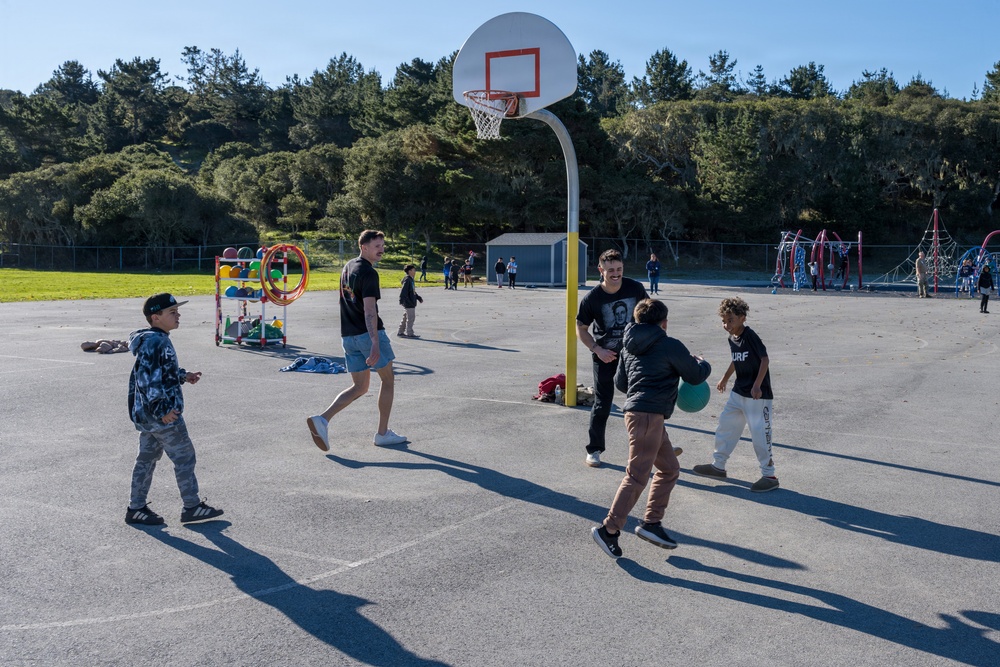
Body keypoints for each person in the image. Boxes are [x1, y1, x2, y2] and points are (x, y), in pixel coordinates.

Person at [591, 298, 711, 558]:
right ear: (663, 322)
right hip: (648, 416)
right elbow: (695, 375)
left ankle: (651, 523)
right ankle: (608, 530)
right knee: (637, 475)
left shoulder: (627, 345)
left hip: (641, 414)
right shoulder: (669, 344)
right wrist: (702, 362)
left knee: (669, 469)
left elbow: (621, 383)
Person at [126, 293, 224, 526]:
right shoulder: (155, 341)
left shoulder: (155, 339)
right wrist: (162, 409)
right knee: (185, 457)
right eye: (172, 312)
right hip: (163, 416)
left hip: (148, 417)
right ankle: (192, 507)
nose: (178, 314)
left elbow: (161, 371)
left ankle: (136, 508)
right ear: (156, 317)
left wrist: (183, 375)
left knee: (146, 460)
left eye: (177, 310)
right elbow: (147, 378)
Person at [307, 229, 407, 450]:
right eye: (377, 246)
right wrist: (374, 343)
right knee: (388, 380)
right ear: (364, 247)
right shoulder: (369, 273)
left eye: (383, 245)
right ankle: (382, 433)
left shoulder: (348, 266)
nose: (381, 249)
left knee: (360, 387)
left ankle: (322, 419)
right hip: (367, 335)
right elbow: (369, 310)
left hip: (348, 335)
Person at [692, 297, 779, 493]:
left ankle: (769, 475)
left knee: (760, 436)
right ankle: (718, 466)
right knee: (725, 427)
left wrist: (757, 385)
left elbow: (764, 360)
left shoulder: (750, 336)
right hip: (738, 392)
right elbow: (735, 360)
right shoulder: (733, 338)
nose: (726, 325)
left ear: (742, 318)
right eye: (724, 320)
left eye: (730, 320)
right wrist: (724, 378)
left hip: (757, 396)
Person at [576, 249, 649, 468]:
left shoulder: (635, 288)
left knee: (646, 401)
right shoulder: (592, 298)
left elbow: (652, 316)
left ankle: (654, 447)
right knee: (602, 402)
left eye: (618, 269)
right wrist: (598, 350)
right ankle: (594, 449)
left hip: (633, 354)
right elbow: (581, 328)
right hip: (606, 355)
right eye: (610, 270)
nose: (615, 274)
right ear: (601, 270)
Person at [397, 264, 423, 338]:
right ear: (409, 271)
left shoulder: (410, 279)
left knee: (405, 317)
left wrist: (418, 297)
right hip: (409, 302)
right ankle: (410, 333)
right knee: (411, 318)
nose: (415, 272)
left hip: (410, 301)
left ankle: (400, 332)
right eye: (414, 270)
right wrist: (401, 299)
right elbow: (404, 290)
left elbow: (412, 291)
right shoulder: (408, 280)